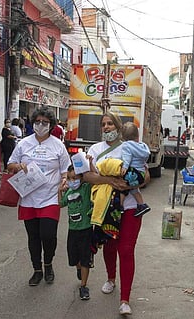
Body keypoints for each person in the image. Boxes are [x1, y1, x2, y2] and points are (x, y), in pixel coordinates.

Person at [83, 112, 147, 315]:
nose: (107, 127)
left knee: (126, 250)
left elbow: (145, 175)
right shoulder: (95, 149)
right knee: (109, 247)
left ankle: (125, 299)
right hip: (106, 210)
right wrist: (110, 181)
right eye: (103, 124)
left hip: (129, 208)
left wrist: (129, 183)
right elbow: (87, 176)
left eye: (111, 123)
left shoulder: (129, 146)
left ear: (118, 127)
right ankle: (111, 278)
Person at [7, 106, 70, 287]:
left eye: (45, 122)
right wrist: (19, 167)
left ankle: (48, 263)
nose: (40, 125)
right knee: (33, 236)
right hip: (28, 198)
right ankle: (37, 269)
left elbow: (66, 170)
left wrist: (64, 181)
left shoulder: (58, 145)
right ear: (32, 122)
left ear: (51, 125)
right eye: (37, 121)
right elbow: (10, 164)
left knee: (48, 235)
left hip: (50, 198)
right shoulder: (24, 144)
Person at [59, 165, 93, 300]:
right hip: (72, 230)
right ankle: (79, 268)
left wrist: (88, 166)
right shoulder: (68, 192)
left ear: (81, 178)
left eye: (75, 178)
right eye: (69, 178)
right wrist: (60, 191)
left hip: (85, 230)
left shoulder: (85, 189)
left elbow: (91, 180)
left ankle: (84, 286)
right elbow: (61, 204)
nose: (72, 181)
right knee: (74, 259)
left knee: (85, 259)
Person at [119, 122, 151, 217]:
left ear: (123, 137)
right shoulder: (143, 146)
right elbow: (145, 159)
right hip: (141, 173)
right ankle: (141, 205)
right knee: (134, 189)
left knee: (123, 187)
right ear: (137, 136)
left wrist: (124, 167)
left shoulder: (126, 146)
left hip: (133, 172)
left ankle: (120, 206)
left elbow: (127, 157)